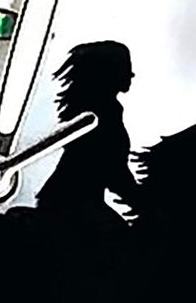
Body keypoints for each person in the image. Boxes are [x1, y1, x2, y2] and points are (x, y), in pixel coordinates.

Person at [36, 41, 140, 228]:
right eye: (126, 67)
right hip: (73, 205)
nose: (131, 74)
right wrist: (144, 202)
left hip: (73, 200)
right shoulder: (103, 114)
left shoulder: (105, 111)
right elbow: (112, 169)